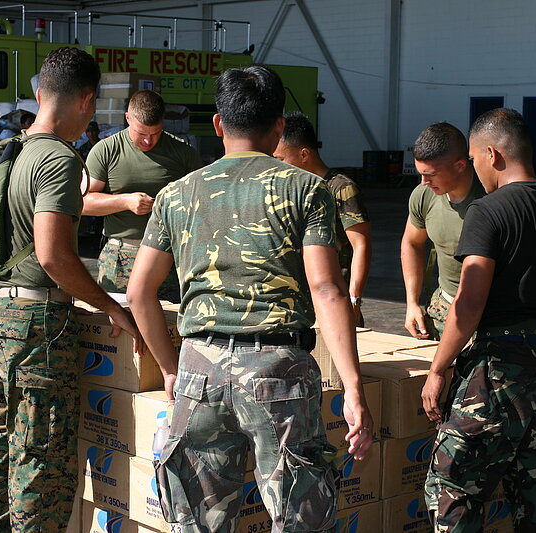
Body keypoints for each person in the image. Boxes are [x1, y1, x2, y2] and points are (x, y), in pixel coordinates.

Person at [126, 65, 374, 533]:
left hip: (199, 370)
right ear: (279, 126)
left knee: (197, 523)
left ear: (218, 124)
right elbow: (326, 289)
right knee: (302, 522)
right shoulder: (306, 189)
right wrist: (353, 388)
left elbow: (139, 292)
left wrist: (170, 366)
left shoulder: (176, 195)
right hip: (278, 371)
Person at [0, 47, 141, 533]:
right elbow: (54, 256)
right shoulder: (59, 162)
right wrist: (111, 305)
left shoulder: (13, 150)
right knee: (40, 458)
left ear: (41, 92)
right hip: (37, 327)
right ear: (87, 101)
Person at [421, 108, 536, 532]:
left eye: (475, 159)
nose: (476, 168)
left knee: (452, 489)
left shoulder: (489, 211)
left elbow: (469, 301)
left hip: (499, 370)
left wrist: (438, 369)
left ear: (492, 154)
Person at [83, 90, 200, 303]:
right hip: (121, 254)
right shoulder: (106, 150)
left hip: (166, 255)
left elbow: (200, 205)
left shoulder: (183, 153)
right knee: (118, 325)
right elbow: (83, 202)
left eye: (155, 133)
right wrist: (125, 201)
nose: (148, 141)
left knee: (168, 325)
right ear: (128, 118)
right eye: (141, 133)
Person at [274, 111, 372, 326]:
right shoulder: (291, 190)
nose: (278, 167)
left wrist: (354, 299)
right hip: (301, 301)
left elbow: (361, 245)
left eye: (281, 159)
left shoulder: (341, 188)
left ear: (304, 154)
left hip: (335, 299)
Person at [401, 122, 485, 339]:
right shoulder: (424, 195)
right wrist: (412, 302)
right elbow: (412, 242)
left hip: (489, 316)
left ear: (459, 165)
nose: (424, 182)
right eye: (420, 173)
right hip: (444, 308)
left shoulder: (490, 198)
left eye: (431, 174)